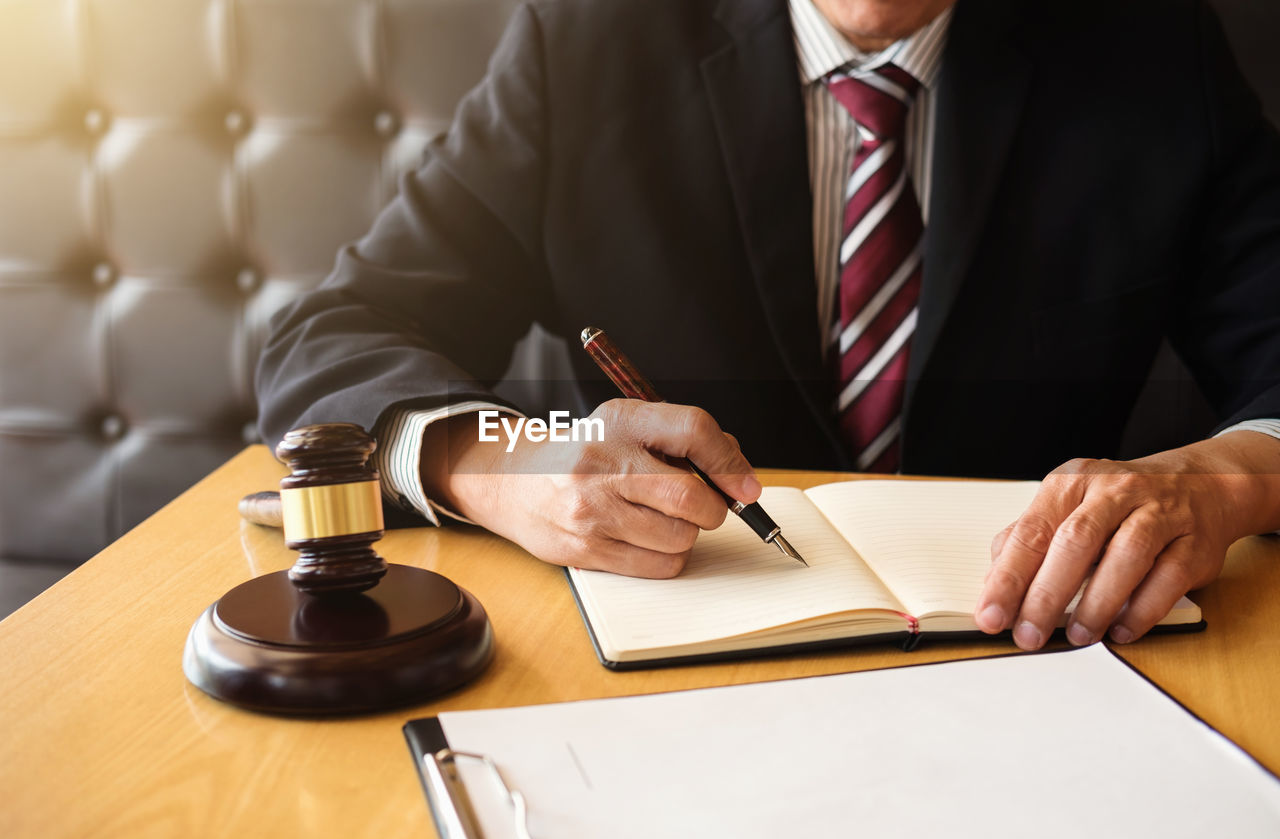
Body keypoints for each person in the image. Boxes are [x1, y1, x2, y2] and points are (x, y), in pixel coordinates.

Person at [257, 0, 1280, 652]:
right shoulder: (585, 41)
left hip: (1035, 650)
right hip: (655, 656)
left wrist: (1221, 481)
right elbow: (331, 336)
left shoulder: (1155, 47)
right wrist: (502, 460)